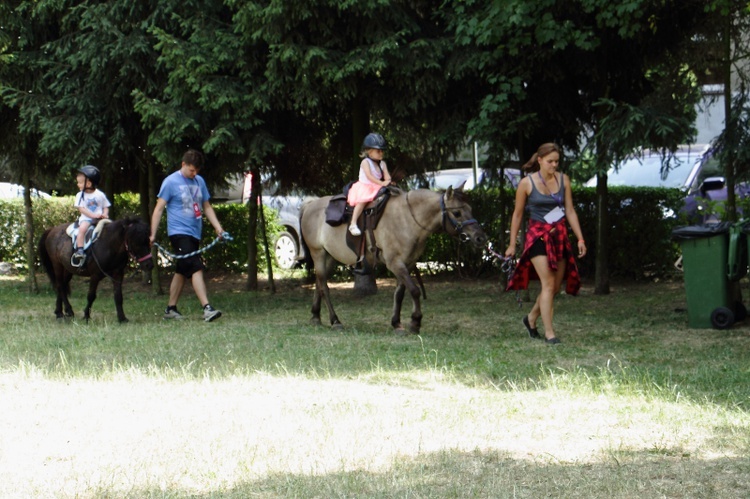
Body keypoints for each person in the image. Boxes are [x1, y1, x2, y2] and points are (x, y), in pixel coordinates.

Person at [504, 143, 586, 344]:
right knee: (548, 284)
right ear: (539, 160)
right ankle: (550, 333)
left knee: (555, 287)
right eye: (550, 161)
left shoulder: (563, 180)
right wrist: (512, 244)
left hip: (559, 235)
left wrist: (580, 238)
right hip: (537, 236)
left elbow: (570, 210)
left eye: (557, 161)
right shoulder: (527, 183)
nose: (554, 165)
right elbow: (517, 214)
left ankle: (531, 318)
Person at [150, 149, 224, 322]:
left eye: (197, 170)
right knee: (195, 265)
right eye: (191, 170)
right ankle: (207, 308)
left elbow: (206, 206)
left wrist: (218, 228)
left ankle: (170, 308)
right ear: (183, 164)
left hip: (194, 233)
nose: (194, 173)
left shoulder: (199, 181)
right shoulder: (170, 182)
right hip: (178, 232)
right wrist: (152, 234)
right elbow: (159, 209)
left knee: (182, 270)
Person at [347, 133, 392, 236]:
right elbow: (369, 177)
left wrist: (388, 181)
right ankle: (353, 223)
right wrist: (382, 183)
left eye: (382, 151)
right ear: (369, 152)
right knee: (363, 201)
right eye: (378, 151)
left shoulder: (382, 163)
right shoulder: (365, 162)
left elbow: (387, 176)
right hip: (365, 187)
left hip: (377, 186)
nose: (381, 153)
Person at [71, 165, 111, 268]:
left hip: (100, 218)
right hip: (87, 218)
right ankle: (80, 250)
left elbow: (106, 206)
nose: (78, 184)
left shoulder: (100, 194)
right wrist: (93, 215)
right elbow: (81, 209)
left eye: (80, 182)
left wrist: (105, 214)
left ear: (88, 183)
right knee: (82, 230)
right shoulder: (80, 195)